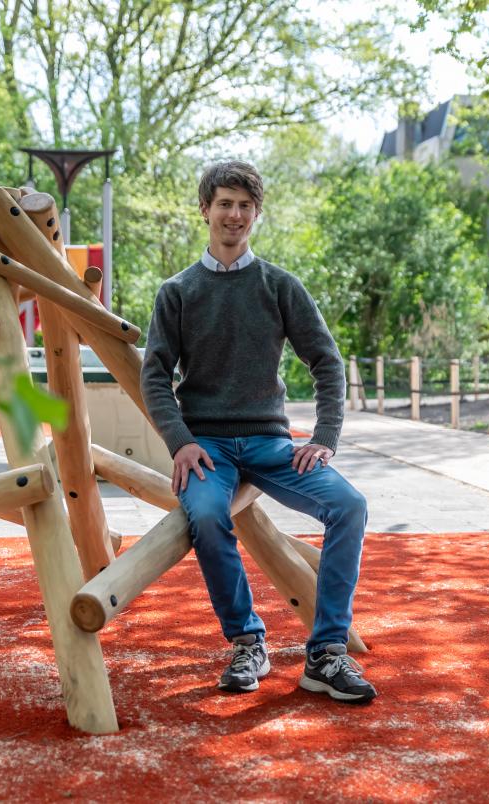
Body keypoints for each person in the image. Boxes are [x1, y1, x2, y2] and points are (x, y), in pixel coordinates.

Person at [140, 160, 376, 704]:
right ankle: (247, 640)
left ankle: (326, 653)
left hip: (273, 444)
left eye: (245, 206)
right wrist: (181, 441)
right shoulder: (177, 291)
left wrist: (325, 437)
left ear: (256, 214)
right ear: (205, 210)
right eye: (224, 203)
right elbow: (154, 374)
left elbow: (327, 362)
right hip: (209, 447)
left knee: (351, 505)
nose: (235, 214)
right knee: (203, 513)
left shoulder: (279, 286)